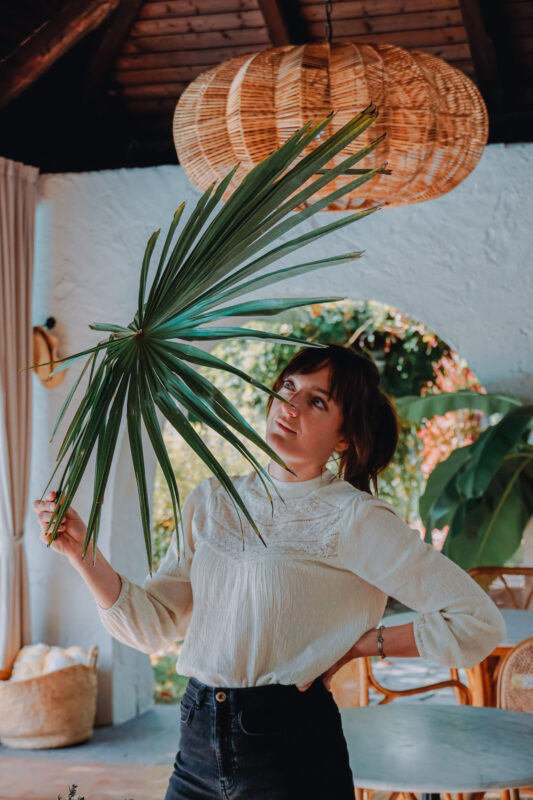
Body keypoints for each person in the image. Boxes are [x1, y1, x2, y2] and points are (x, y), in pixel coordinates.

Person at [33, 344, 506, 800]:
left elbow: (477, 622)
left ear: (344, 437)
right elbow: (152, 626)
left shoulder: (354, 518)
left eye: (317, 401)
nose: (290, 406)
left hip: (290, 755)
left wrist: (362, 645)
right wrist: (82, 552)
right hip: (196, 745)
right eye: (288, 386)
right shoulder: (212, 500)